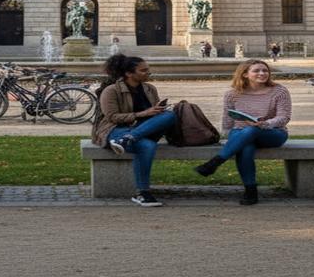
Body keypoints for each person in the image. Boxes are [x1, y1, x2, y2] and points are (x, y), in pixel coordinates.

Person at [193, 59, 291, 205]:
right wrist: (228, 138)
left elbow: (284, 117)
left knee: (252, 129)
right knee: (245, 147)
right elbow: (227, 121)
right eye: (256, 71)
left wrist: (266, 123)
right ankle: (250, 191)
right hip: (240, 133)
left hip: (273, 133)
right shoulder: (232, 94)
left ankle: (216, 162)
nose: (262, 73)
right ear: (245, 74)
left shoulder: (279, 91)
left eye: (265, 70)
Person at [90, 54, 177, 207]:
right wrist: (142, 114)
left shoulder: (150, 89)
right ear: (129, 73)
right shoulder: (111, 90)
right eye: (143, 70)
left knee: (170, 115)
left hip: (140, 130)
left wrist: (158, 110)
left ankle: (128, 138)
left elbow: (154, 114)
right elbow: (112, 117)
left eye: (148, 69)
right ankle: (143, 193)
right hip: (115, 130)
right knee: (147, 146)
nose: (148, 73)